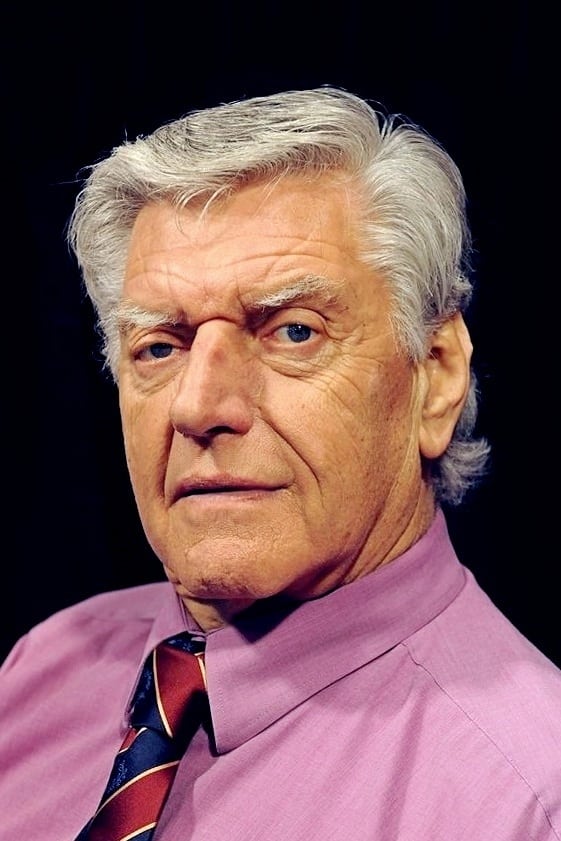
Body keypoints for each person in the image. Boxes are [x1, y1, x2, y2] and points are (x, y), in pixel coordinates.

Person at [1, 86, 560, 841]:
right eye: (159, 347)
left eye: (293, 332)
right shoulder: (38, 674)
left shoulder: (527, 801)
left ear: (434, 377)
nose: (198, 405)